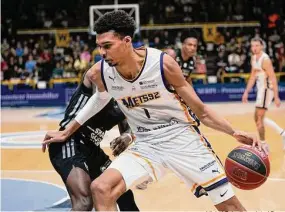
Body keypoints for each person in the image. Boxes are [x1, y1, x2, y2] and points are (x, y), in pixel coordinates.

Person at [42, 10, 268, 211]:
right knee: (101, 188)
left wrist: (233, 132)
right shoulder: (103, 71)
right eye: (99, 46)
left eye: (107, 46)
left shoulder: (163, 65)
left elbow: (203, 111)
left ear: (127, 41)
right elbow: (99, 98)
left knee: (229, 206)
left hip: (181, 139)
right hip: (146, 143)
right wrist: (67, 131)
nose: (101, 52)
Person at [43, 68, 139, 211]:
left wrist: (127, 136)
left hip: (92, 148)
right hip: (70, 142)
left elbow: (127, 127)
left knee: (123, 193)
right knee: (84, 201)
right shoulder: (100, 77)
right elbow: (92, 75)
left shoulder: (126, 98)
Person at [242, 38, 284, 149]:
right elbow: (252, 77)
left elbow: (273, 78)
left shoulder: (265, 60)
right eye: (252, 46)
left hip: (267, 90)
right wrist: (246, 92)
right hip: (261, 90)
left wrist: (276, 96)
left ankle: (264, 145)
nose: (254, 48)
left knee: (259, 119)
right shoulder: (253, 58)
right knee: (257, 118)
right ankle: (282, 133)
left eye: (257, 45)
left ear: (261, 46)